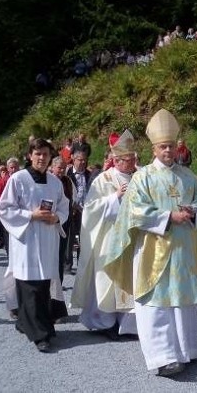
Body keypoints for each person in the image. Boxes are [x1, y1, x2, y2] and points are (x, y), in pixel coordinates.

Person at [104, 109, 197, 376]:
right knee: (156, 301)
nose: (168, 151)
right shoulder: (143, 177)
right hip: (154, 248)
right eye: (163, 146)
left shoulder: (188, 176)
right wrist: (168, 216)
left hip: (184, 248)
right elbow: (134, 210)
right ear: (153, 148)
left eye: (172, 146)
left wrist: (194, 212)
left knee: (183, 300)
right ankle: (162, 358)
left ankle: (187, 350)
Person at [0, 138, 69, 352]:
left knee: (43, 286)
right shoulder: (18, 179)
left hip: (47, 240)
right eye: (37, 154)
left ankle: (26, 323)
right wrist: (31, 215)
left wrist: (57, 218)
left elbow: (64, 206)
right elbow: (4, 208)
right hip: (26, 241)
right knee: (29, 287)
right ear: (30, 155)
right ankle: (41, 335)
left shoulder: (55, 182)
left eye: (45, 154)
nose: (41, 158)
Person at [71, 130, 139, 339]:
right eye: (128, 160)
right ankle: (104, 321)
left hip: (133, 235)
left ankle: (127, 324)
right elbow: (90, 208)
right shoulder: (104, 179)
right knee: (107, 280)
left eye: (133, 159)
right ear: (116, 160)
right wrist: (115, 197)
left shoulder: (140, 176)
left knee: (130, 280)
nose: (132, 163)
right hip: (109, 237)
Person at [65, 150, 92, 273]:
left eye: (84, 160)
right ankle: (67, 265)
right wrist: (74, 206)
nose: (82, 162)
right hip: (72, 210)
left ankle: (82, 264)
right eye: (80, 159)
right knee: (70, 237)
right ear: (74, 160)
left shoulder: (90, 174)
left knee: (84, 237)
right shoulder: (67, 175)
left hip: (86, 211)